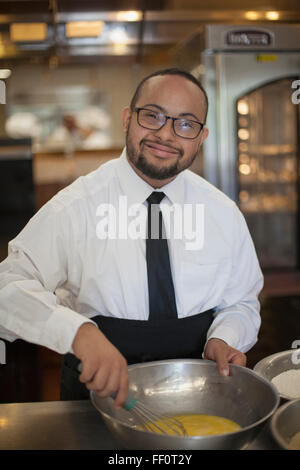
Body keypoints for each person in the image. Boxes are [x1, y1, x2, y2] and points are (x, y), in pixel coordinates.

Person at [0, 68, 263, 409]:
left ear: (201, 137)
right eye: (152, 116)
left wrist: (223, 337)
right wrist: (77, 332)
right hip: (97, 397)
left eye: (185, 123)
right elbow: (8, 287)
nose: (166, 134)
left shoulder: (223, 212)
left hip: (198, 391)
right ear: (127, 119)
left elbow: (242, 302)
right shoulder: (75, 206)